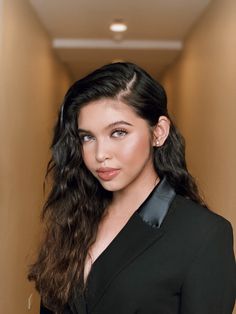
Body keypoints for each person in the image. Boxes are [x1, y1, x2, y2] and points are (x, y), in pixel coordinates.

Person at [28, 62, 236, 314]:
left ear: (158, 132)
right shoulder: (73, 216)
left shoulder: (204, 234)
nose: (100, 154)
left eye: (118, 132)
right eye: (87, 137)